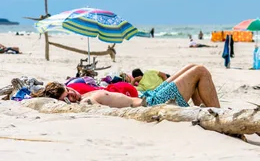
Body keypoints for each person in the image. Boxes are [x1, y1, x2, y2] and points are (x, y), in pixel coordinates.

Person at [33, 64, 220, 108]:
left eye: (70, 91)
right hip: (152, 103)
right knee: (201, 71)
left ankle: (204, 112)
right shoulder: (86, 104)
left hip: (149, 95)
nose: (72, 95)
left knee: (193, 67)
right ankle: (220, 118)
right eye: (67, 97)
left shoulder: (83, 96)